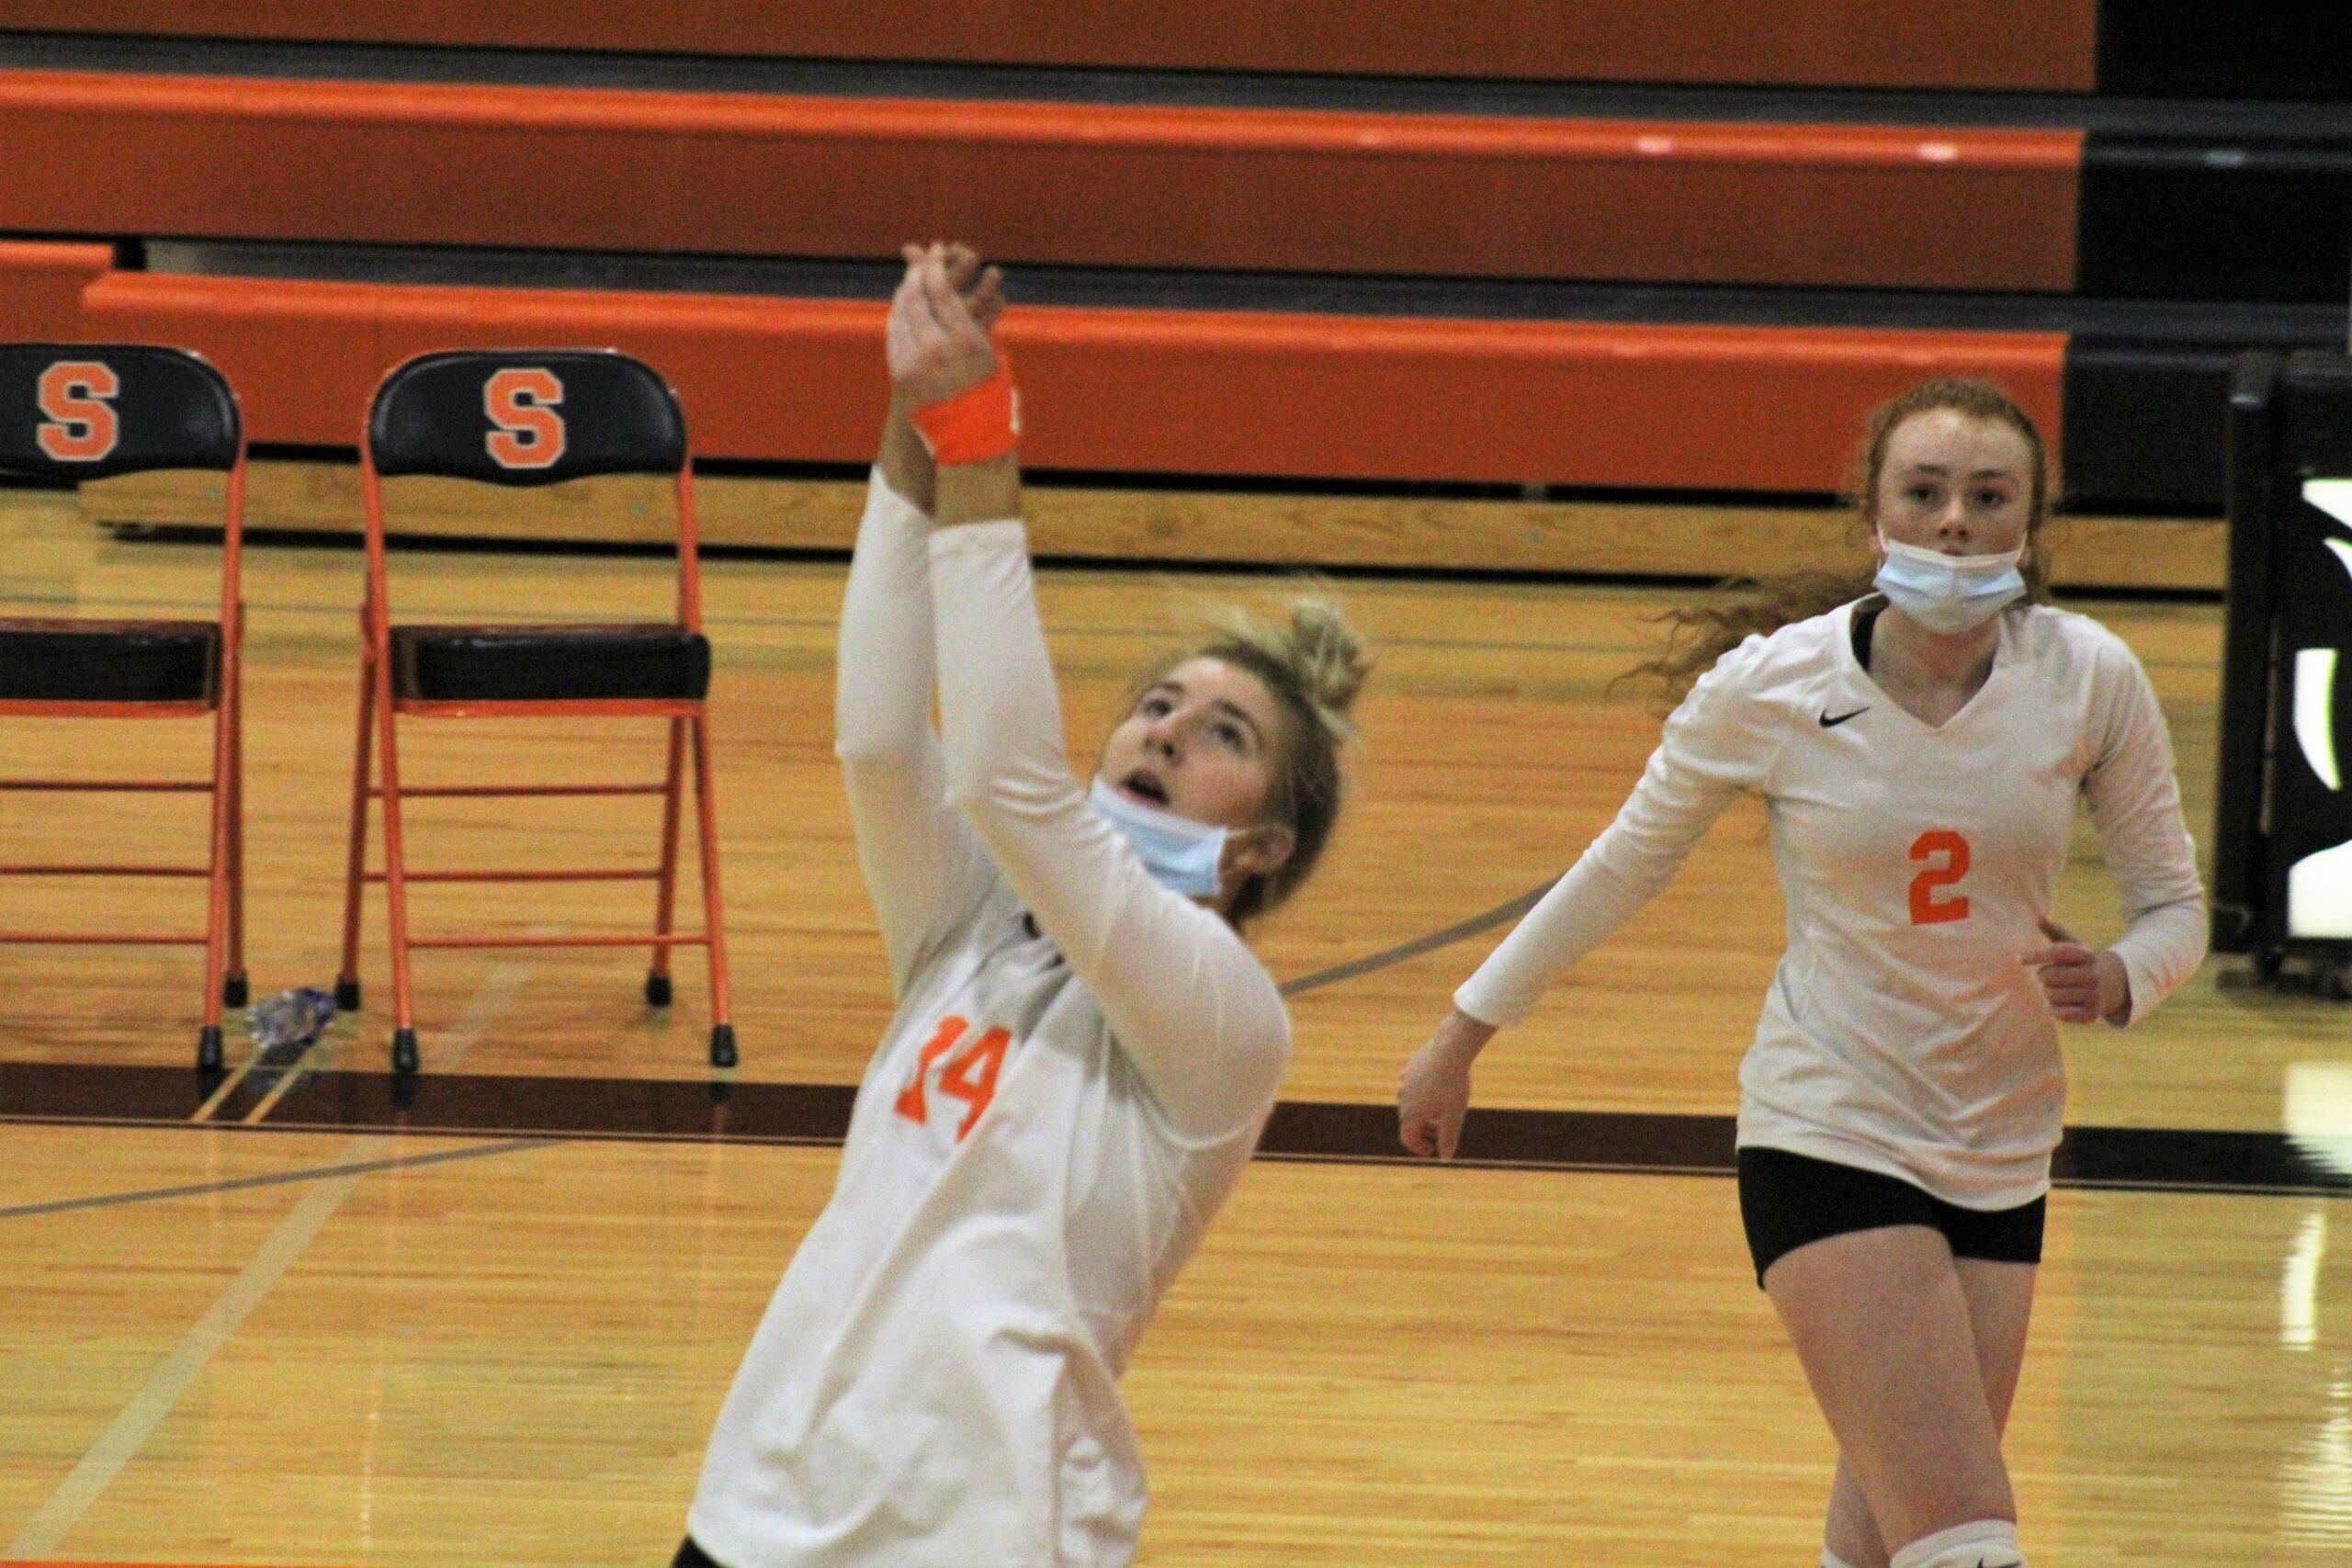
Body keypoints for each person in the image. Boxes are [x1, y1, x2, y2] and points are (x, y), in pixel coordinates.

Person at [1396, 379, 2206, 1568]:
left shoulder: (2090, 676)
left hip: (2004, 1144)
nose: (1955, 521)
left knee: (1884, 1540)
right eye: (1924, 493)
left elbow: (2176, 907)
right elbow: (1619, 869)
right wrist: (1462, 1034)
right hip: (1831, 1129)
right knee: (1968, 1540)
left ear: (2032, 523)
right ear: (1874, 513)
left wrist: (2127, 975)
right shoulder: (1772, 685)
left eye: (1989, 497)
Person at [678, 243, 1369, 1568]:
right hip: (763, 1502)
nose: (1166, 734)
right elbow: (883, 743)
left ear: (1262, 846)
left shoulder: (1224, 1017)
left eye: (1222, 735)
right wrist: (911, 427)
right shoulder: (972, 928)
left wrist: (981, 434)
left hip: (989, 1535)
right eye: (1157, 705)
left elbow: (1007, 780)